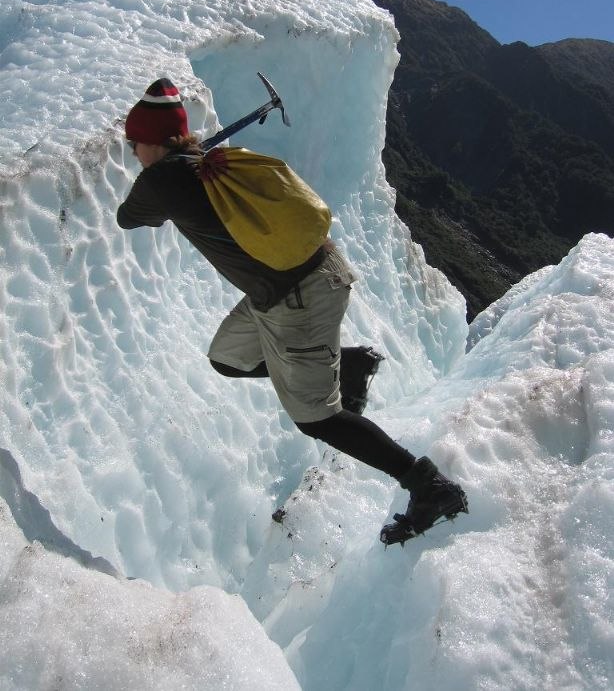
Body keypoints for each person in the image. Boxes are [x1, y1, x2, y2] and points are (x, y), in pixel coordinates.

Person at [117, 78, 468, 544]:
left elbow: (129, 217)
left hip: (296, 298)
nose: (132, 152)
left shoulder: (161, 181)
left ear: (152, 141)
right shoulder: (208, 167)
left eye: (133, 143)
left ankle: (428, 486)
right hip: (304, 278)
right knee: (228, 358)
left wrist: (159, 178)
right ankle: (349, 366)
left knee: (317, 419)